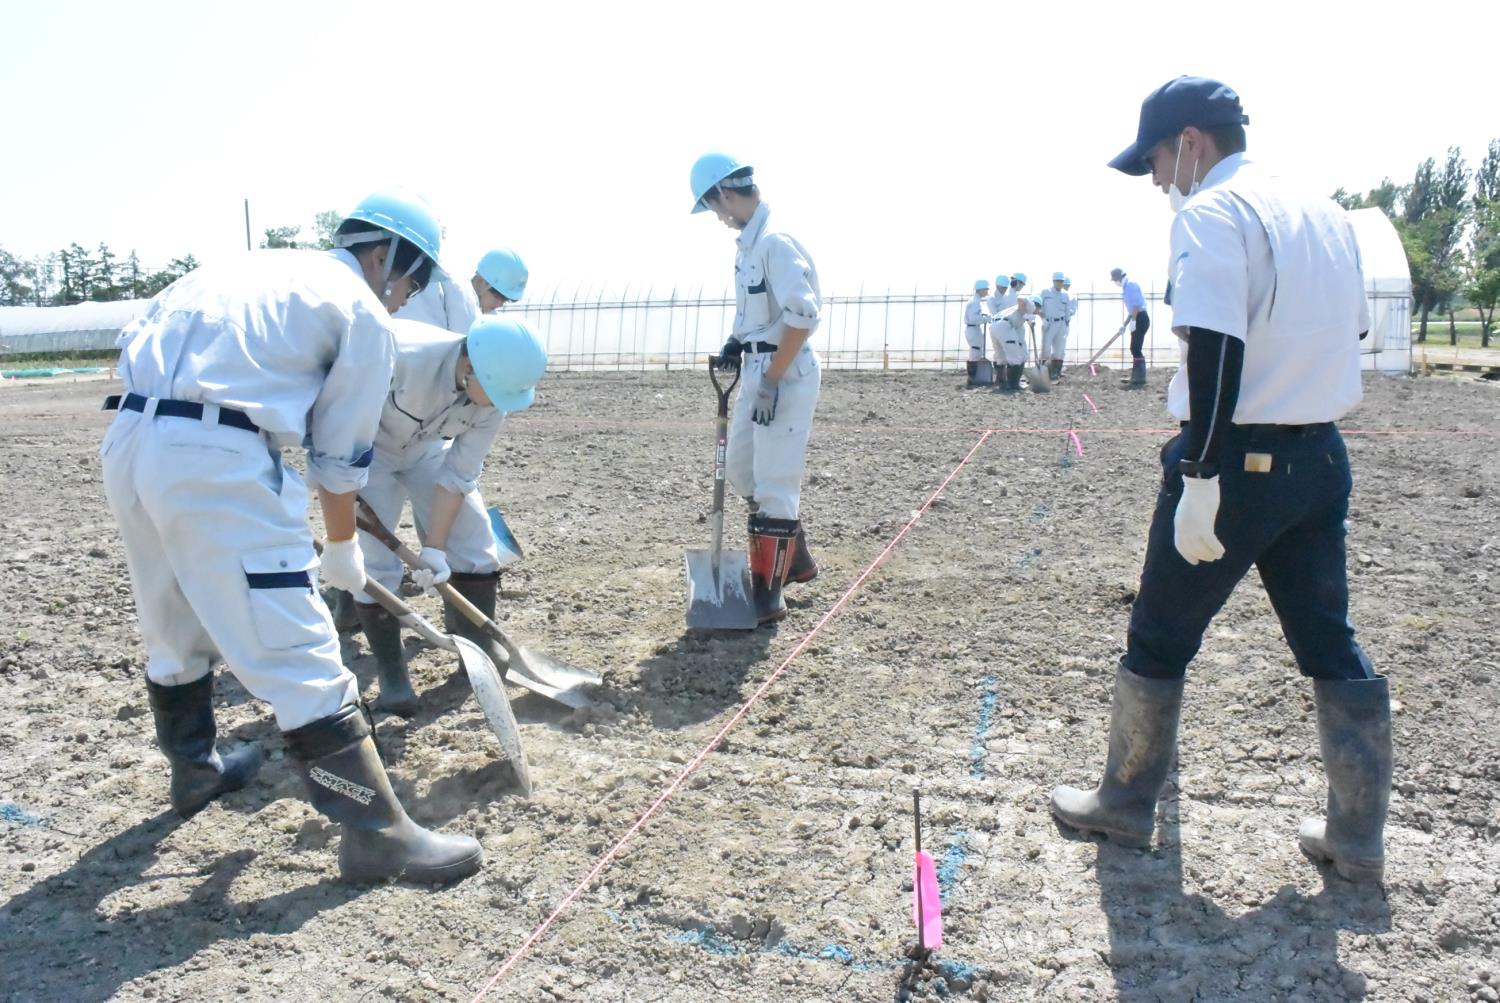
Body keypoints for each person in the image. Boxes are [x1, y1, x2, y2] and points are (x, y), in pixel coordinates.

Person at [1050, 76, 1390, 884]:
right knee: (1328, 639)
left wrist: (1202, 470)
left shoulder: (1212, 214)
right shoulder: (1325, 212)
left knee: (1160, 636)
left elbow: (1214, 349)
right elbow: (1357, 329)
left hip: (1235, 462)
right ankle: (1358, 835)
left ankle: (1126, 804)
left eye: (1161, 162)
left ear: (1192, 142)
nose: (1161, 180)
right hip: (1321, 460)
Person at [101, 190, 484, 885]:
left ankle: (194, 771)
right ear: (383, 256)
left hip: (130, 436)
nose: (408, 299)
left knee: (172, 617)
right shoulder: (360, 308)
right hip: (216, 456)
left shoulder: (244, 270)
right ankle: (376, 834)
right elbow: (341, 458)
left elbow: (125, 350)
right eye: (413, 281)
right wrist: (339, 550)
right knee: (300, 645)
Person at [351, 315, 548, 715]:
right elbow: (337, 416)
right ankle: (393, 676)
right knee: (376, 561)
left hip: (425, 449)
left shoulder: (495, 397)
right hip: (367, 452)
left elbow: (458, 476)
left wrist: (437, 549)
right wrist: (340, 482)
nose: (495, 404)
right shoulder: (399, 354)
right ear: (469, 366)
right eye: (492, 392)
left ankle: (479, 648)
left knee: (474, 539)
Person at [690, 152, 822, 625]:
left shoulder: (775, 244)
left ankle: (768, 597)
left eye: (714, 207)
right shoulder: (747, 247)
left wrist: (770, 380)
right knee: (743, 472)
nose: (719, 219)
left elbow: (803, 317)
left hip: (784, 371)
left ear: (724, 193)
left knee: (774, 482)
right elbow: (754, 315)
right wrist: (734, 341)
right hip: (757, 367)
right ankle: (796, 559)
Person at [396, 246, 529, 334]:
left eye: (506, 300)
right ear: (482, 281)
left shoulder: (448, 279)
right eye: (499, 296)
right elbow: (466, 338)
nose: (500, 304)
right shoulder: (462, 292)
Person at [1111, 266, 1150, 386]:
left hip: (1140, 318)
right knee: (1135, 348)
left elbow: (1136, 307)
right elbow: (1132, 310)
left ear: (1118, 278)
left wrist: (1133, 321)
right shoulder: (1127, 286)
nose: (1115, 283)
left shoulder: (1130, 286)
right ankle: (1136, 376)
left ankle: (1139, 378)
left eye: (1114, 280)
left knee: (1135, 348)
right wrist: (1124, 325)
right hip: (1137, 317)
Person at [1038, 271, 1074, 380]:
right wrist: (1042, 318)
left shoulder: (1065, 295)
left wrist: (1067, 323)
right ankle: (1043, 372)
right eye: (1058, 281)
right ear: (1053, 281)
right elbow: (1039, 306)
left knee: (1059, 350)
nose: (1060, 283)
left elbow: (1067, 310)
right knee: (1046, 349)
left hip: (1061, 323)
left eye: (1061, 281)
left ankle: (1056, 372)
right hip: (1049, 323)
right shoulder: (1045, 292)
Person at [963, 279, 991, 385]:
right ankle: (972, 378)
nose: (987, 291)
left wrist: (983, 317)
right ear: (981, 289)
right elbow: (973, 318)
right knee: (975, 352)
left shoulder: (975, 300)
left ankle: (973, 377)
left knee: (976, 351)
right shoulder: (975, 302)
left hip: (973, 329)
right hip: (973, 328)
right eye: (986, 289)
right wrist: (985, 319)